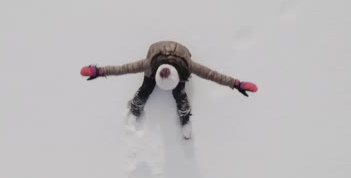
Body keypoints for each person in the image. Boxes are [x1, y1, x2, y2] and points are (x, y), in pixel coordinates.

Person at [80, 41, 257, 139]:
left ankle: (185, 117)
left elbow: (212, 74)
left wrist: (236, 84)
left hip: (180, 55)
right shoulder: (148, 65)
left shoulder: (187, 66)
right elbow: (122, 68)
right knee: (145, 90)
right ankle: (135, 107)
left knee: (180, 96)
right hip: (156, 52)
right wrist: (100, 71)